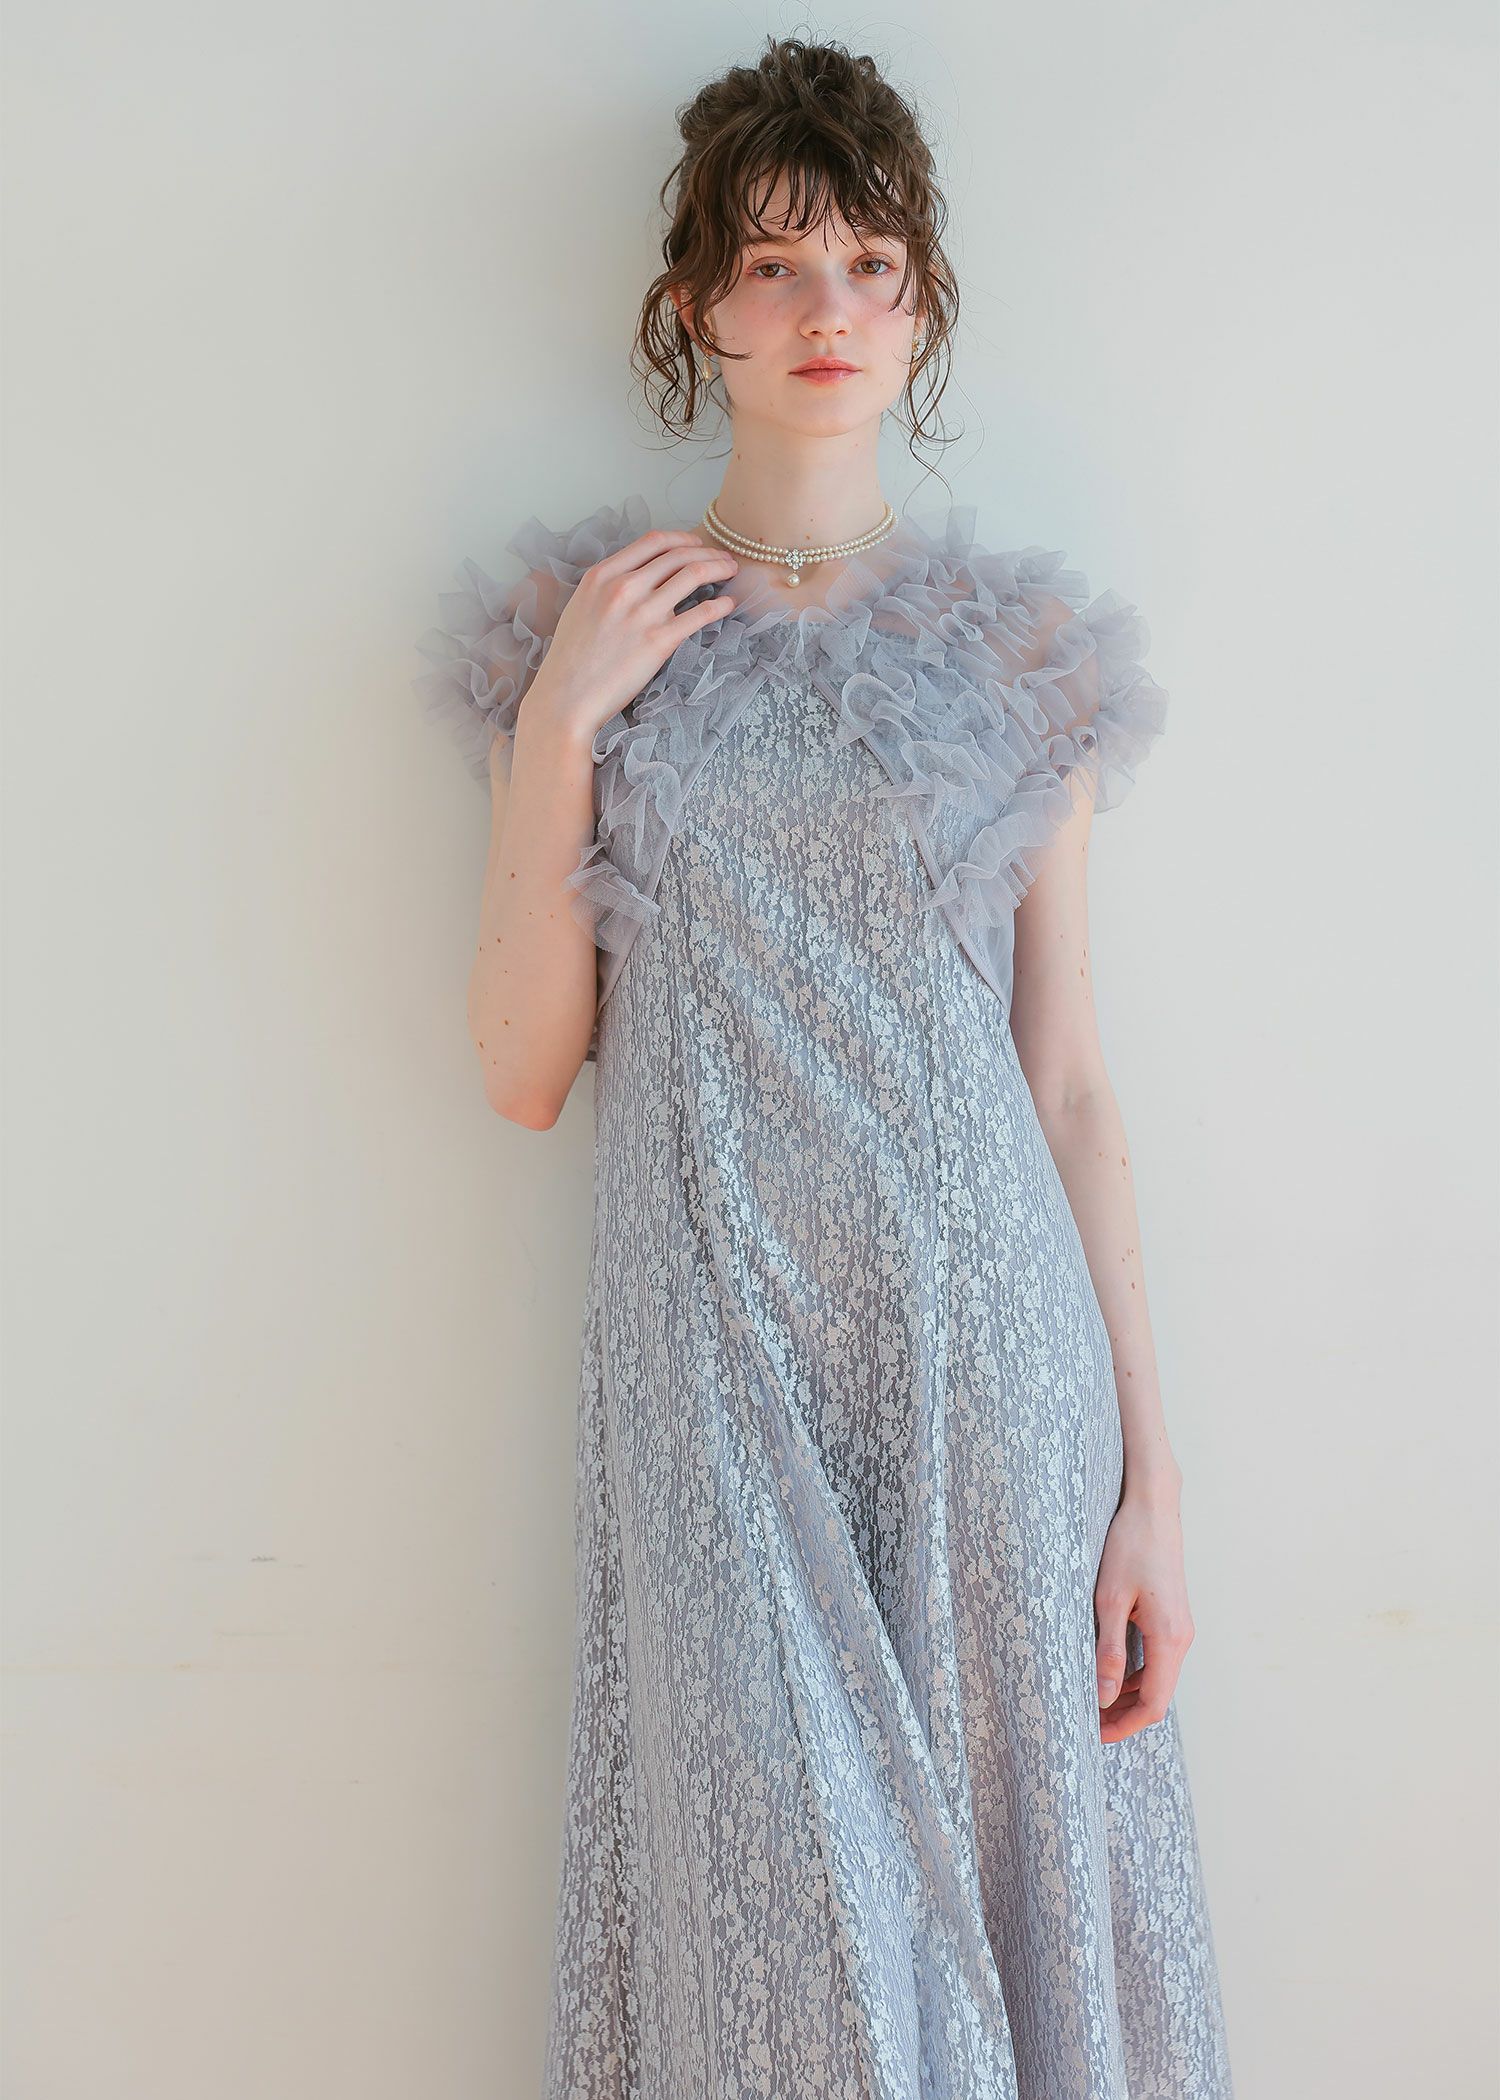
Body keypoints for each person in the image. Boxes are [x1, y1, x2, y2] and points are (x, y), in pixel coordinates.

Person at [413, 33, 1234, 2100]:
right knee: (785, 1942)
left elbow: (1068, 1084)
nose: (826, 310)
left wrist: (1150, 1480)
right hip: (713, 1365)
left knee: (1010, 1893)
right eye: (773, 266)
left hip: (986, 1363)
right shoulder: (585, 641)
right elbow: (523, 1071)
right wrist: (560, 731)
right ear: (695, 307)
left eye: (870, 264)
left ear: (923, 304)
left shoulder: (1015, 661)